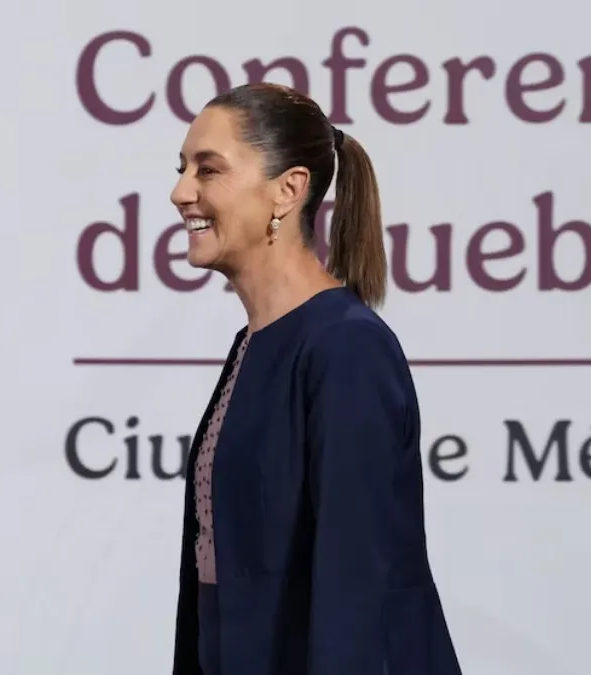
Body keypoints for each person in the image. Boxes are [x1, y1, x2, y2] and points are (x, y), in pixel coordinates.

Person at [168, 82, 462, 675]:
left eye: (209, 169)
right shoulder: (256, 343)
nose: (180, 193)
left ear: (289, 189)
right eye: (182, 169)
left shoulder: (345, 346)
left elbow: (357, 586)